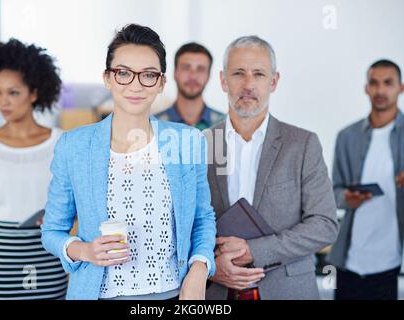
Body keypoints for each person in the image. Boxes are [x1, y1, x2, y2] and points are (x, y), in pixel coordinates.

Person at [41, 24, 216, 300]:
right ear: (108, 78)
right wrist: (85, 250)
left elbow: (202, 218)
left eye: (148, 75)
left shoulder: (187, 141)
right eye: (123, 73)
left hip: (173, 295)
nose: (135, 85)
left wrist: (199, 270)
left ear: (160, 83)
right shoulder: (73, 146)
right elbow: (52, 231)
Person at [204, 35, 338, 300]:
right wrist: (208, 266)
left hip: (287, 291)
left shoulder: (303, 144)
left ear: (274, 81)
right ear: (222, 80)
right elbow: (181, 226)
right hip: (218, 293)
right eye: (238, 73)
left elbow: (324, 224)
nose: (248, 84)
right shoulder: (200, 145)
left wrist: (256, 250)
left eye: (259, 74)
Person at [0, 38, 67, 300]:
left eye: (13, 92)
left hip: (48, 257)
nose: (3, 101)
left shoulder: (63, 142)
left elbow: (80, 207)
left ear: (35, 92)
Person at [327, 60, 404, 300]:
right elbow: (333, 193)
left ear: (400, 88)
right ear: (366, 88)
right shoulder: (346, 137)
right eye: (374, 83)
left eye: (388, 83)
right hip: (348, 259)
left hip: (389, 262)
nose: (380, 90)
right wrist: (347, 198)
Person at [156, 42, 224, 130]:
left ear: (208, 76)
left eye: (200, 69)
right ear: (175, 73)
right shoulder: (154, 125)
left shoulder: (225, 125)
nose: (193, 76)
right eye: (186, 68)